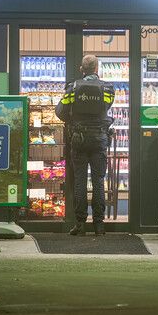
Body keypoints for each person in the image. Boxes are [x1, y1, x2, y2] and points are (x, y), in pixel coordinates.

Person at [56, 55, 115, 236]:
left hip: (79, 139)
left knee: (80, 180)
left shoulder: (73, 88)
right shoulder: (108, 88)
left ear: (82, 69)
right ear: (96, 69)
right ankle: (99, 224)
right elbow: (107, 106)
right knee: (98, 181)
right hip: (99, 139)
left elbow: (60, 111)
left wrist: (74, 121)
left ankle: (80, 224)